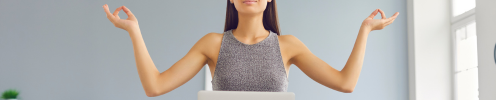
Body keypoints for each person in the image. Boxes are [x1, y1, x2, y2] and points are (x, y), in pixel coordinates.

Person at [102, 0, 399, 97]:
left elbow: (345, 83)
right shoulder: (212, 43)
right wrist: (134, 31)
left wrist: (365, 30)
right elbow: (154, 86)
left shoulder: (288, 45)